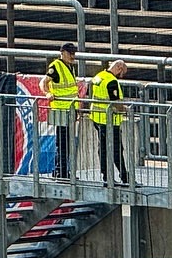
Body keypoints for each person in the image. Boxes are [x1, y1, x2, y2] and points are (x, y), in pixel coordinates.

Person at [88, 59, 129, 187]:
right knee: (117, 150)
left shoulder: (99, 76)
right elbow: (115, 102)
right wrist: (126, 109)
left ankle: (105, 176)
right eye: (122, 74)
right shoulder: (111, 81)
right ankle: (125, 178)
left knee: (103, 149)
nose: (120, 77)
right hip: (109, 121)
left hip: (97, 118)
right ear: (119, 68)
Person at [45, 42, 80, 179]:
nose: (73, 56)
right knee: (63, 143)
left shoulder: (70, 66)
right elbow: (43, 82)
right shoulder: (56, 66)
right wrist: (47, 93)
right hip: (60, 110)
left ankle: (60, 171)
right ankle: (62, 172)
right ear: (63, 52)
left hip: (70, 109)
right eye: (70, 53)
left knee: (67, 142)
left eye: (74, 53)